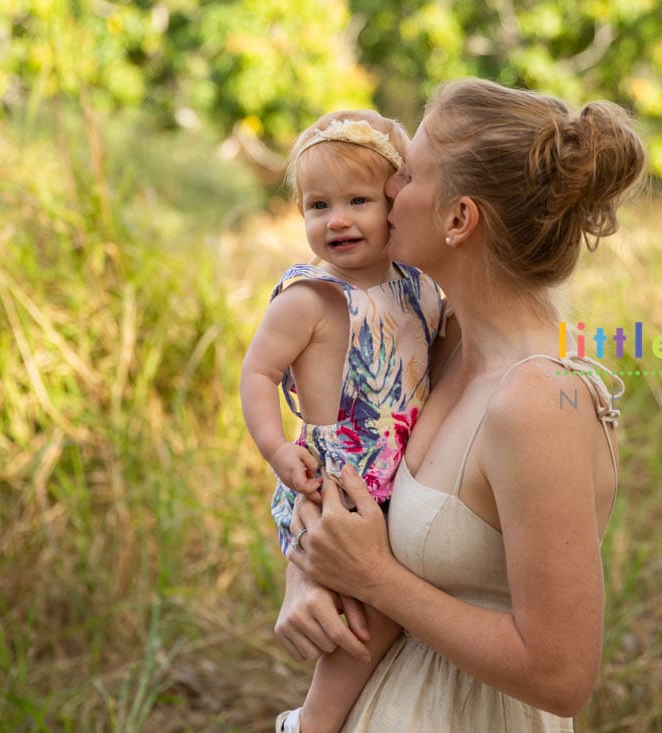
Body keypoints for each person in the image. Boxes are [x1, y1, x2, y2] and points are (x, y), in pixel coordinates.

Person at [278, 77, 645, 731]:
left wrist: (373, 578)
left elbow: (561, 675)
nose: (389, 187)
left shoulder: (539, 401)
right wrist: (306, 573)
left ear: (458, 219)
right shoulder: (438, 339)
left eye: (410, 173)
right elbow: (341, 470)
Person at [239, 110, 449, 733]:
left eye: (358, 201)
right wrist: (276, 449)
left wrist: (387, 134)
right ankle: (313, 722)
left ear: (393, 204)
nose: (337, 220)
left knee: (396, 602)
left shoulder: (419, 286)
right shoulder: (311, 297)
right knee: (364, 612)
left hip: (400, 471)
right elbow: (257, 374)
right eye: (318, 205)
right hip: (339, 480)